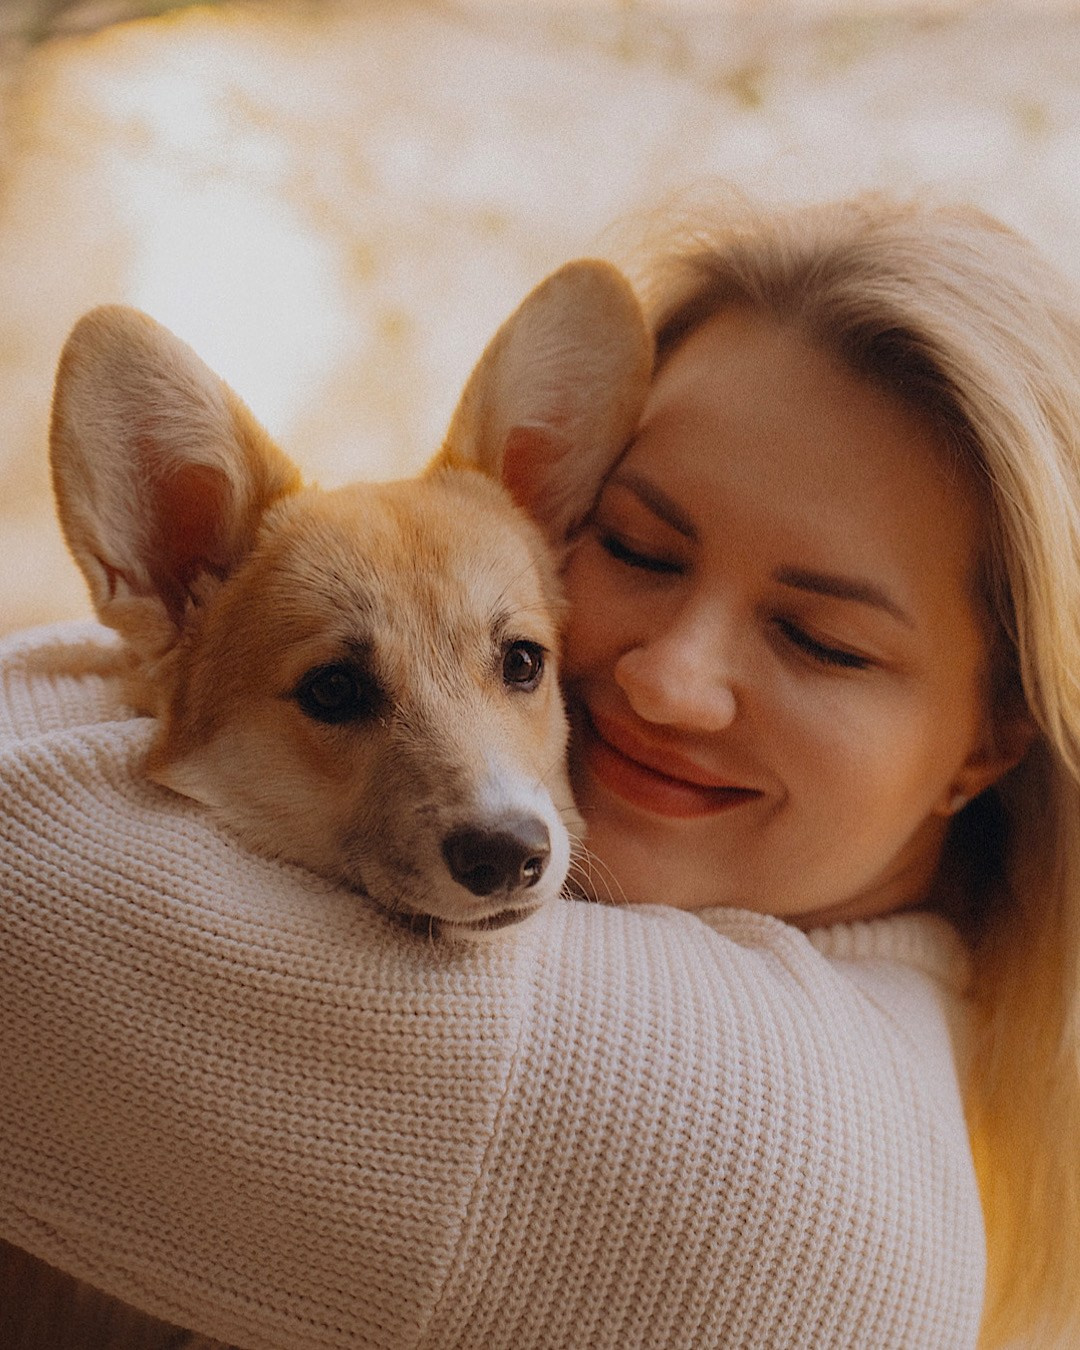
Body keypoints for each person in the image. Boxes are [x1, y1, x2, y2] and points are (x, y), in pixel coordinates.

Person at [1, 190, 1077, 1349]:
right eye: (635, 548)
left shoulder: (775, 1140)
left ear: (989, 742)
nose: (664, 682)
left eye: (823, 639)